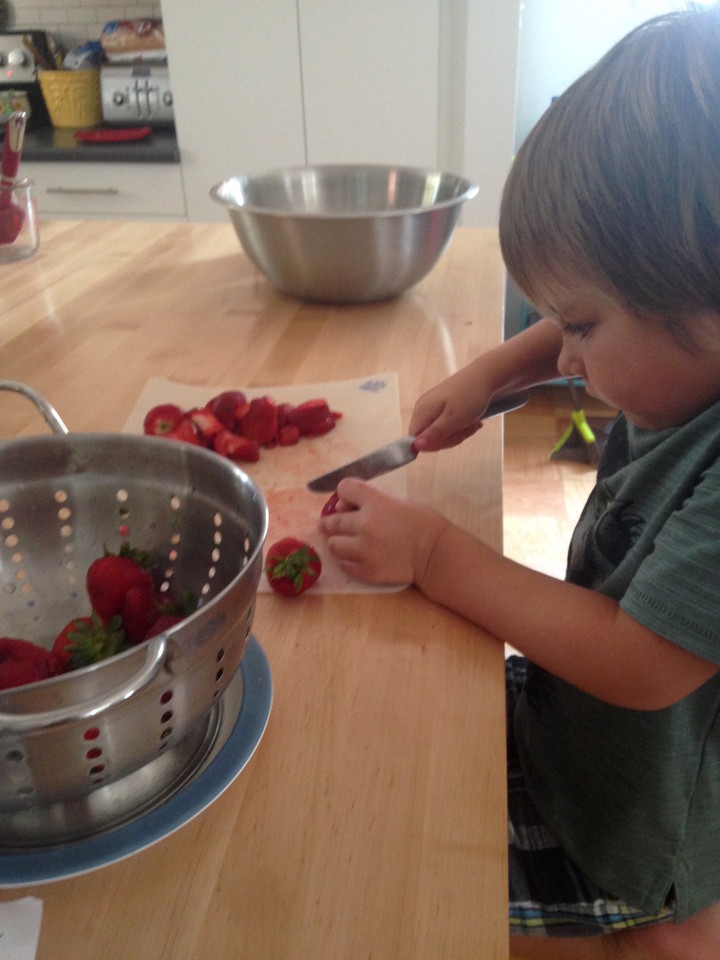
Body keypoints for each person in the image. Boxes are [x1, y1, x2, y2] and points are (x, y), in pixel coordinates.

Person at [319, 7, 720, 959]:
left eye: (579, 327)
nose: (567, 355)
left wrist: (434, 554)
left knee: (415, 909)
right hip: (589, 741)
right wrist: (495, 373)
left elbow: (640, 662)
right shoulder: (685, 349)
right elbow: (599, 311)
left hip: (641, 814)